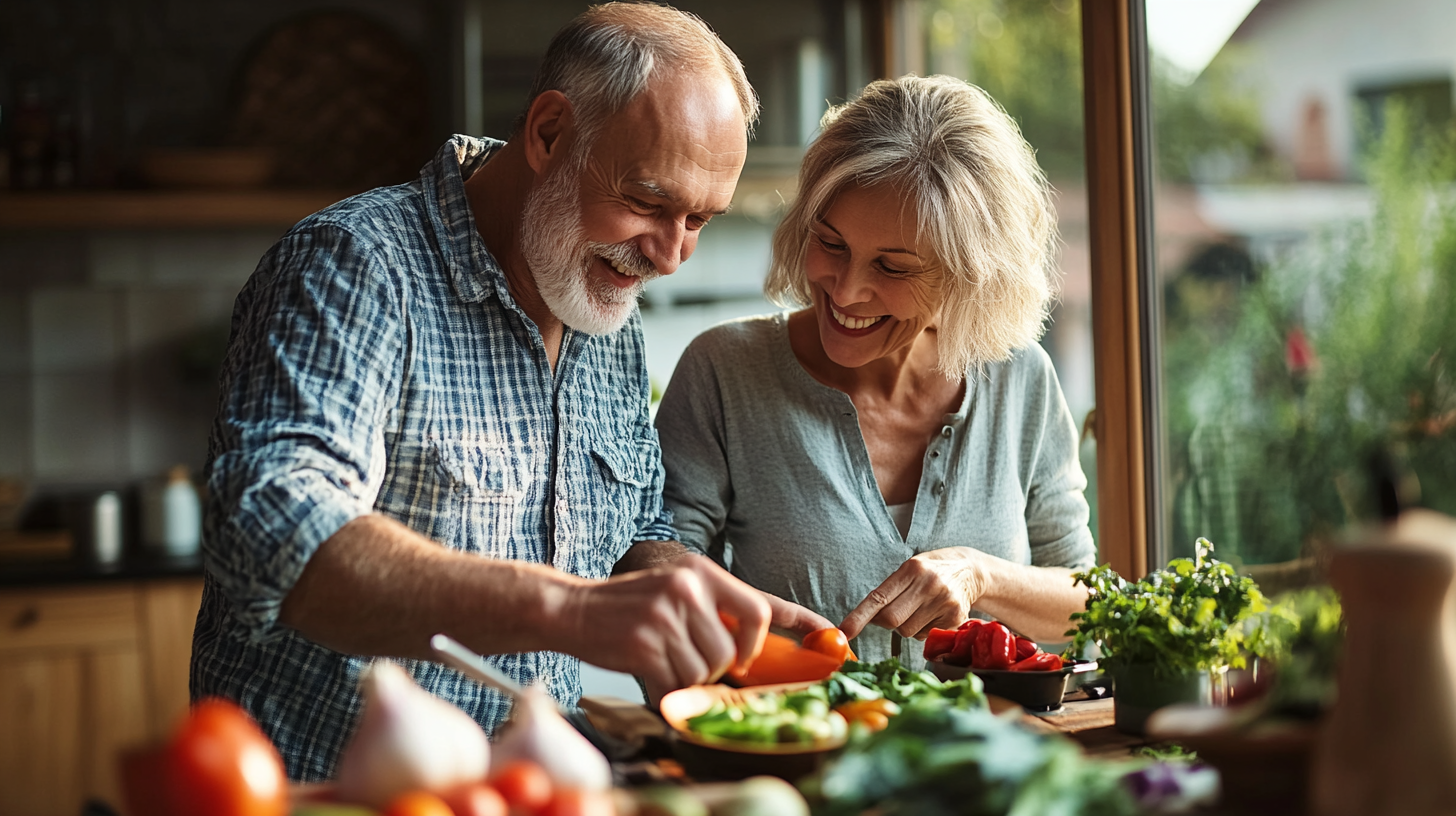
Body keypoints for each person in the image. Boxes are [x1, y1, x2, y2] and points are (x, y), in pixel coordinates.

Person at [192, 3, 809, 781]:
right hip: (339, 794)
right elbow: (273, 531)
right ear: (549, 134)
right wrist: (571, 610)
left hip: (533, 789)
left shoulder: (601, 300)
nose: (671, 255)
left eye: (700, 220)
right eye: (650, 202)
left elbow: (628, 525)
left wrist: (668, 574)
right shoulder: (355, 267)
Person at [655, 75, 1097, 671]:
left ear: (969, 276)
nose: (848, 290)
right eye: (831, 244)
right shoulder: (725, 372)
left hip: (994, 757)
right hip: (794, 752)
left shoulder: (1022, 380)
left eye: (893, 266)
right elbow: (659, 579)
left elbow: (1089, 604)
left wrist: (980, 575)